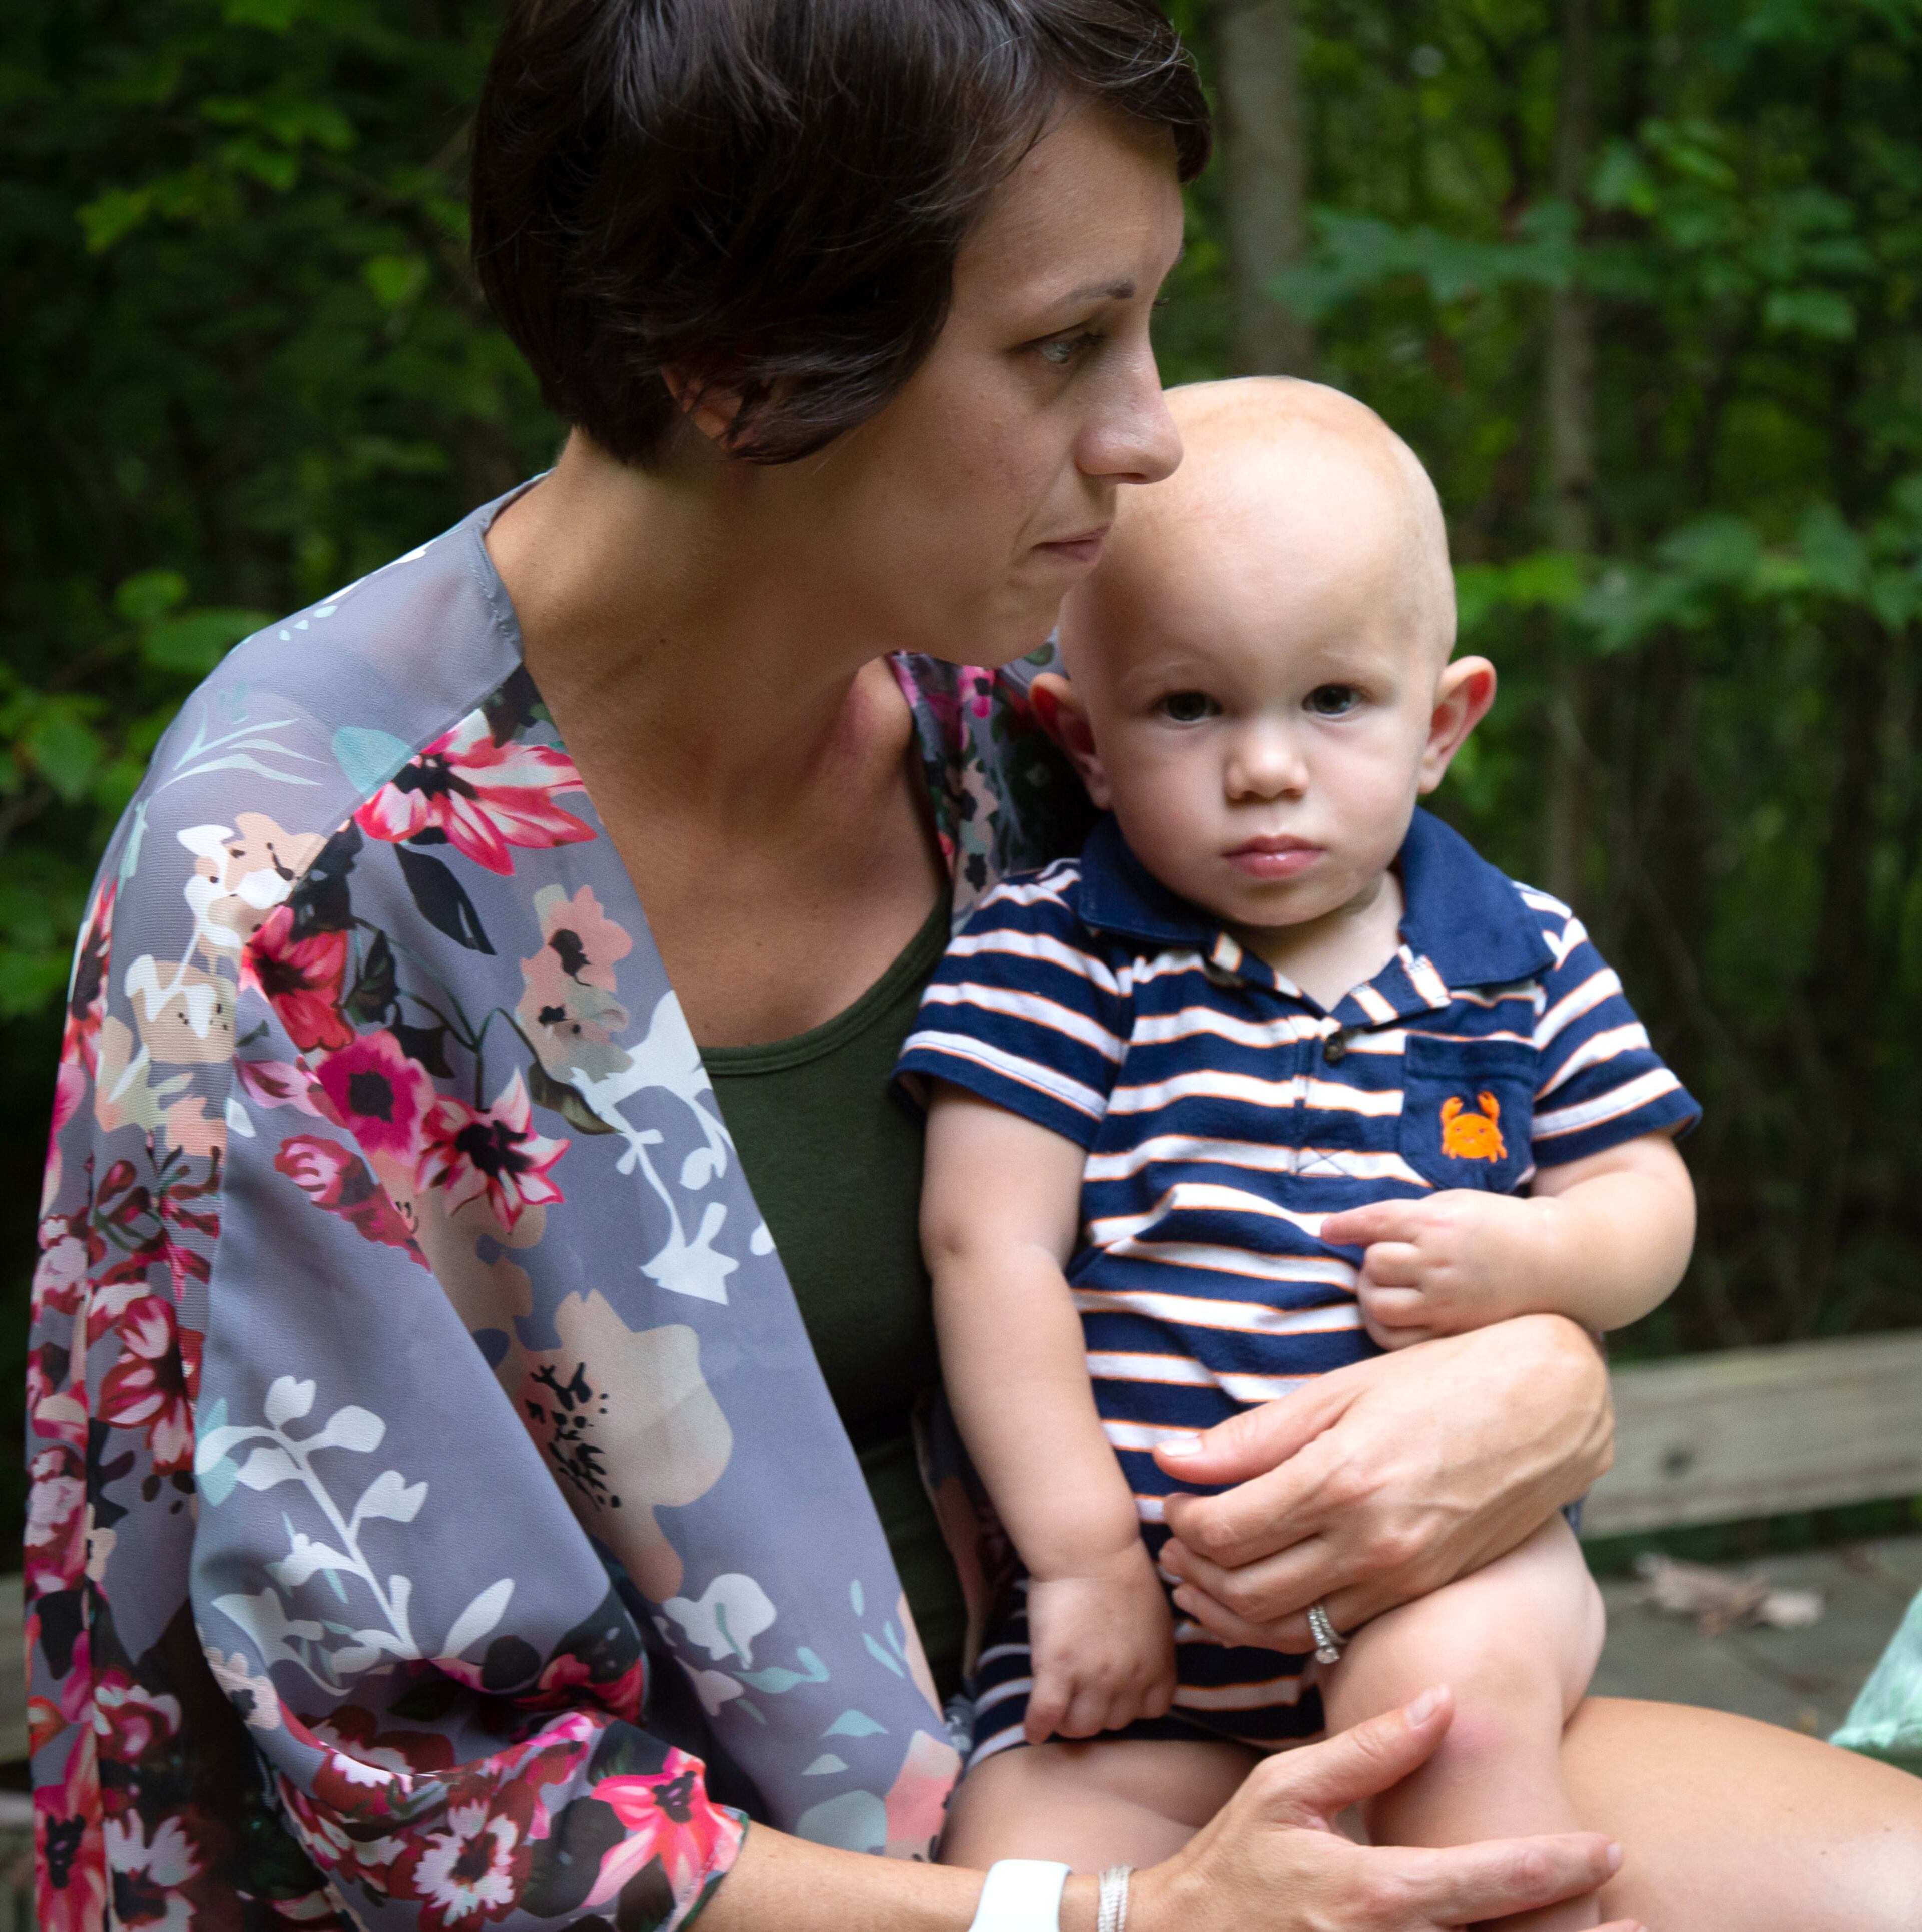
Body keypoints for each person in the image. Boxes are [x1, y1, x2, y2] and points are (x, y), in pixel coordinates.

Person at [24, 4, 1922, 1931]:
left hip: (1167, 1733)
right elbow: (423, 1795)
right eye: (1064, 344)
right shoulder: (295, 899)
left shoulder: (1021, 736)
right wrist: (1111, 1920)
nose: (1151, 433)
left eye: (1150, 323)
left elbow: (1411, 1123)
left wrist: (1543, 1378)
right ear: (741, 362)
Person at [902, 379, 1696, 1930]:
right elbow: (985, 1250)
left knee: (1451, 1723)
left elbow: (1644, 1195)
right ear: (1084, 737)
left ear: (1442, 723)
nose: (1265, 765)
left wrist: (1539, 1256)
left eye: (1334, 699)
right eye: (1189, 707)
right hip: (1136, 1621)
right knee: (1021, 1835)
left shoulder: (1519, 957)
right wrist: (1082, 1561)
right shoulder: (1056, 958)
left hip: (1441, 1569)